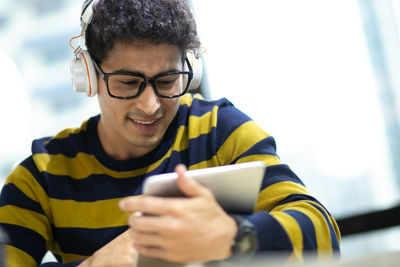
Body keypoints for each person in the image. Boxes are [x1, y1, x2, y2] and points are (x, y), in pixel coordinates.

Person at [0, 0, 341, 266]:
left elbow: (323, 233)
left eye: (166, 81)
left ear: (189, 73)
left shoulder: (219, 132)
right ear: (88, 76)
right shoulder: (42, 175)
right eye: (128, 83)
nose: (150, 106)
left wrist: (236, 236)